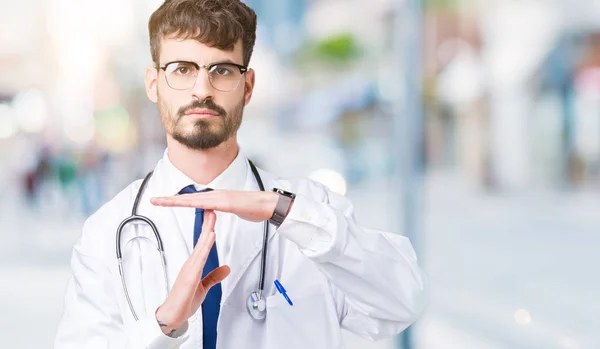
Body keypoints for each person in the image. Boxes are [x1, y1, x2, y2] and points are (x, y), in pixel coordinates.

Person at [54, 1, 428, 348]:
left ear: (247, 87)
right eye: (182, 70)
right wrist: (162, 326)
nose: (202, 90)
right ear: (154, 83)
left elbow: (401, 303)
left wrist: (285, 212)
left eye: (221, 70)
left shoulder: (311, 211)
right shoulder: (108, 231)